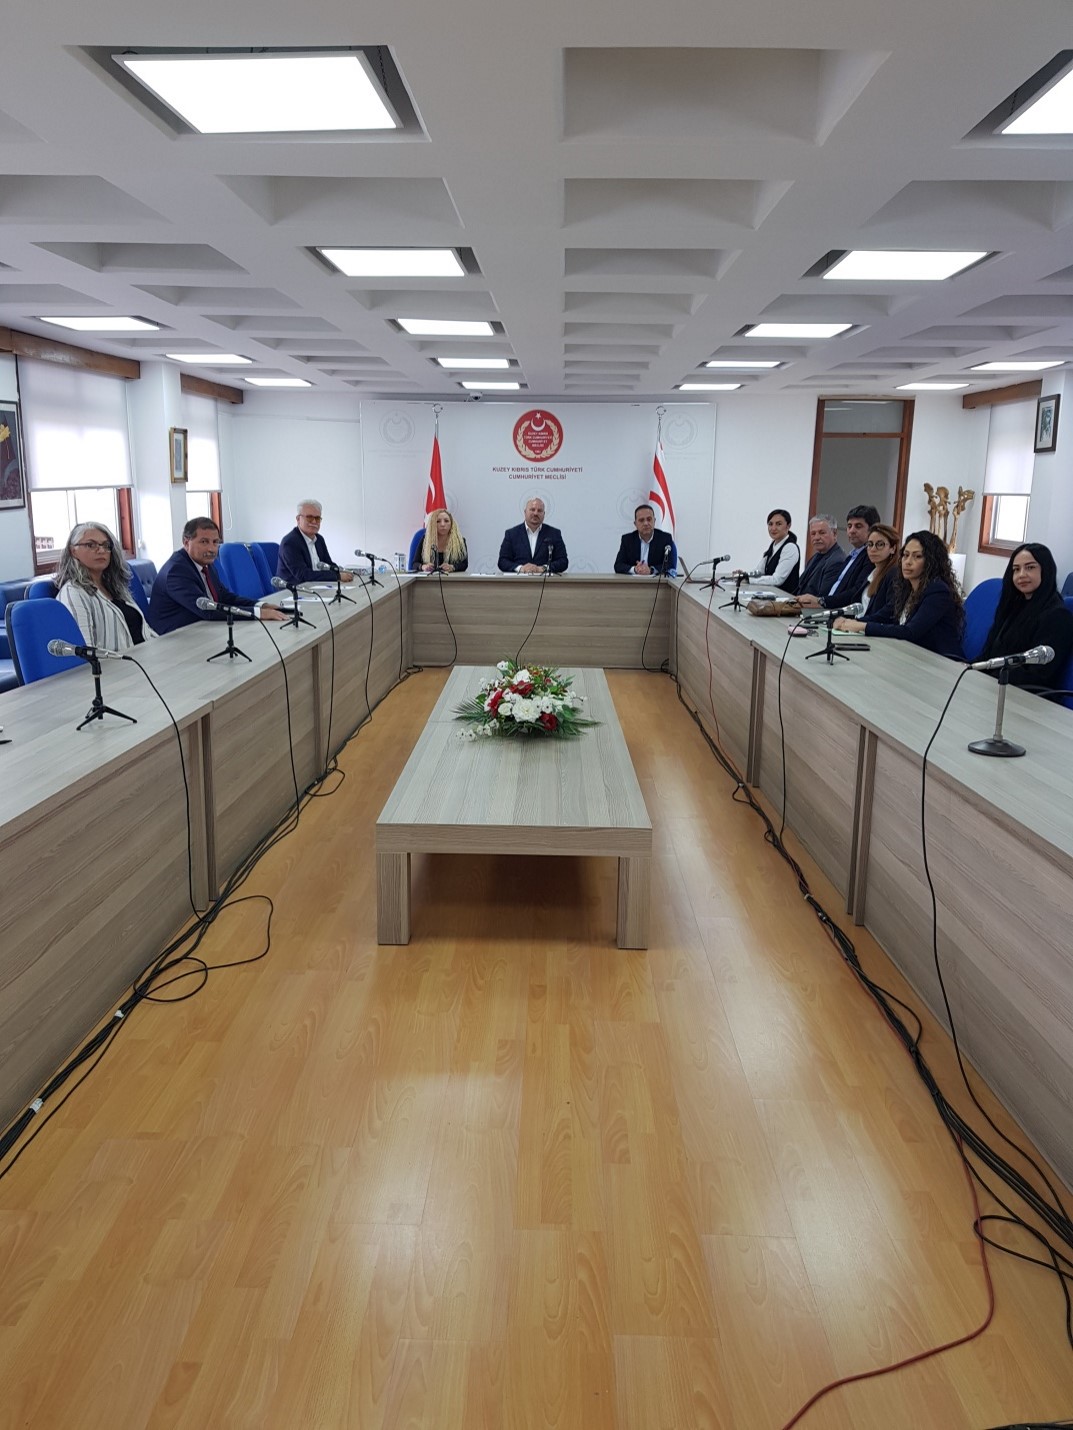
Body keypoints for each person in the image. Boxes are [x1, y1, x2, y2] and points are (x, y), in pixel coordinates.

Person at [835, 530, 964, 659]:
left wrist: (862, 626)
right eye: (905, 555)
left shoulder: (938, 591)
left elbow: (910, 631)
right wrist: (850, 622)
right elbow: (884, 616)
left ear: (931, 561)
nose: (908, 562)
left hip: (941, 660)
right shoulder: (906, 588)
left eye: (917, 556)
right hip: (911, 654)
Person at [150, 517, 288, 635]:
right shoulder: (177, 571)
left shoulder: (205, 563)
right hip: (173, 637)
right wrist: (257, 613)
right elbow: (208, 610)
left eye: (215, 542)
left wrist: (261, 606)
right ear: (186, 543)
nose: (211, 549)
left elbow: (224, 597)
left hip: (201, 627)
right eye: (204, 542)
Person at [977, 543, 1073, 692]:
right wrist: (971, 666)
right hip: (997, 685)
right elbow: (991, 655)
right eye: (1016, 569)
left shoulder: (1057, 616)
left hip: (1024, 696)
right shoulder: (1014, 606)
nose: (1021, 574)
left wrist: (989, 677)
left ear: (1045, 570)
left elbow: (1037, 675)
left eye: (1030, 567)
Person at [54, 522, 156, 651]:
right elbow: (85, 652)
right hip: (118, 663)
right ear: (73, 551)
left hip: (146, 656)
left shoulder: (115, 586)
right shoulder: (73, 592)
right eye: (91, 545)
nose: (101, 550)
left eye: (106, 545)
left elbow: (145, 631)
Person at [797, 504, 881, 609]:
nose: (852, 531)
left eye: (858, 526)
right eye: (849, 526)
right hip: (828, 609)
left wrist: (821, 601)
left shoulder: (870, 557)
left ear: (872, 530)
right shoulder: (851, 556)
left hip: (839, 612)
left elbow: (856, 591)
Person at [277, 499, 353, 585]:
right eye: (309, 518)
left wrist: (341, 571)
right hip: (295, 589)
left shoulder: (319, 539)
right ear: (298, 519)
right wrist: (337, 576)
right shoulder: (290, 543)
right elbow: (303, 575)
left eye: (317, 518)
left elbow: (328, 565)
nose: (314, 522)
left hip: (318, 586)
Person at [734, 508, 800, 592]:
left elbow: (777, 580)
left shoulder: (790, 548)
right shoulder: (774, 545)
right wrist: (744, 575)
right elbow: (759, 571)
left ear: (788, 526)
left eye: (778, 524)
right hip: (770, 594)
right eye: (770, 524)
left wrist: (748, 580)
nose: (773, 528)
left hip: (785, 597)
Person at [497, 497, 568, 574]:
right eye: (532, 509)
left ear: (544, 514)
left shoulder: (554, 534)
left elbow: (563, 561)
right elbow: (502, 561)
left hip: (545, 580)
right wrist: (521, 568)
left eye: (539, 510)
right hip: (519, 580)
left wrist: (543, 568)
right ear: (525, 512)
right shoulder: (511, 534)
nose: (535, 513)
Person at [614, 503, 676, 576]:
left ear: (654, 521)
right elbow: (618, 565)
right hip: (633, 582)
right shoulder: (627, 540)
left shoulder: (665, 538)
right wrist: (635, 569)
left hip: (656, 582)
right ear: (635, 524)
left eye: (649, 519)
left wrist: (651, 570)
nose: (646, 523)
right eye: (641, 520)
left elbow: (670, 565)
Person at [796, 515, 847, 600]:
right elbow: (800, 586)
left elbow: (823, 598)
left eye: (822, 533)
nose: (816, 538)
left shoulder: (837, 561)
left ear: (834, 534)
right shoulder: (816, 556)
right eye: (813, 533)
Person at [858, 523, 900, 615]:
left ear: (893, 548)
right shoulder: (872, 573)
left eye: (880, 544)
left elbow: (889, 611)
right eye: (870, 544)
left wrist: (859, 622)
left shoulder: (894, 574)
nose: (873, 549)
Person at [414, 508, 468, 573]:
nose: (442, 524)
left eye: (446, 521)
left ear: (451, 524)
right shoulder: (425, 540)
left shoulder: (460, 541)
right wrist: (423, 567)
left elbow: (464, 564)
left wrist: (452, 567)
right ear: (433, 524)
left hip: (452, 578)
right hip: (430, 578)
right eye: (438, 521)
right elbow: (415, 564)